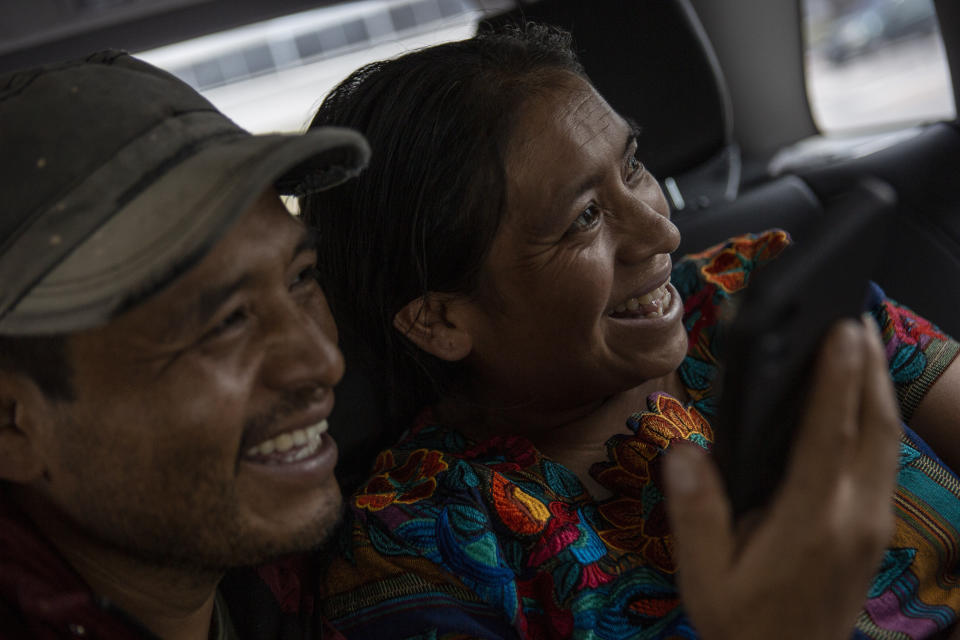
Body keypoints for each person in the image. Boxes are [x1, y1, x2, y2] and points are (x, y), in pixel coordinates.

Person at [302, 25, 960, 639]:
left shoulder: (760, 291)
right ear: (440, 319)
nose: (664, 232)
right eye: (584, 217)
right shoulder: (418, 550)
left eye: (633, 166)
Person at [0, 50, 370, 639]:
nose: (322, 362)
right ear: (14, 426)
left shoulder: (328, 585)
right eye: (225, 320)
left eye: (299, 278)